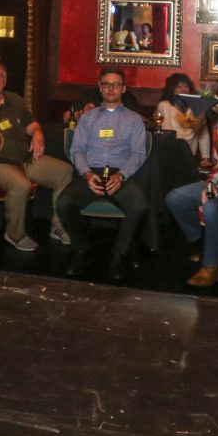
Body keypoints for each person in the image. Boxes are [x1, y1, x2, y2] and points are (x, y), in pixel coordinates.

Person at [0, 61, 73, 251]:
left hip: (23, 158)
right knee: (21, 185)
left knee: (64, 172)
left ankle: (57, 226)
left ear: (5, 80)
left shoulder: (15, 99)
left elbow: (31, 124)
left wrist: (38, 133)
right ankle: (15, 234)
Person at [57, 67, 148, 281]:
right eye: (106, 84)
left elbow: (138, 153)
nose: (111, 88)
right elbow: (76, 150)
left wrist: (122, 175)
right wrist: (87, 174)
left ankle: (118, 255)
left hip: (119, 174)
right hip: (91, 173)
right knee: (63, 203)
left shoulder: (134, 120)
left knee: (140, 206)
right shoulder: (87, 118)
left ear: (123, 88)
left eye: (116, 84)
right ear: (100, 87)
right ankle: (81, 249)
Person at [164, 116, 218, 288]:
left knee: (211, 207)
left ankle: (213, 266)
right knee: (175, 198)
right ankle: (201, 244)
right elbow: (217, 165)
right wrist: (210, 186)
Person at [154, 72, 208, 162]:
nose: (183, 89)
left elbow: (204, 133)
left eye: (186, 86)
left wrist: (205, 157)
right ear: (172, 89)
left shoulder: (196, 108)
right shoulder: (164, 105)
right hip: (169, 154)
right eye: (179, 87)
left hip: (190, 156)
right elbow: (162, 129)